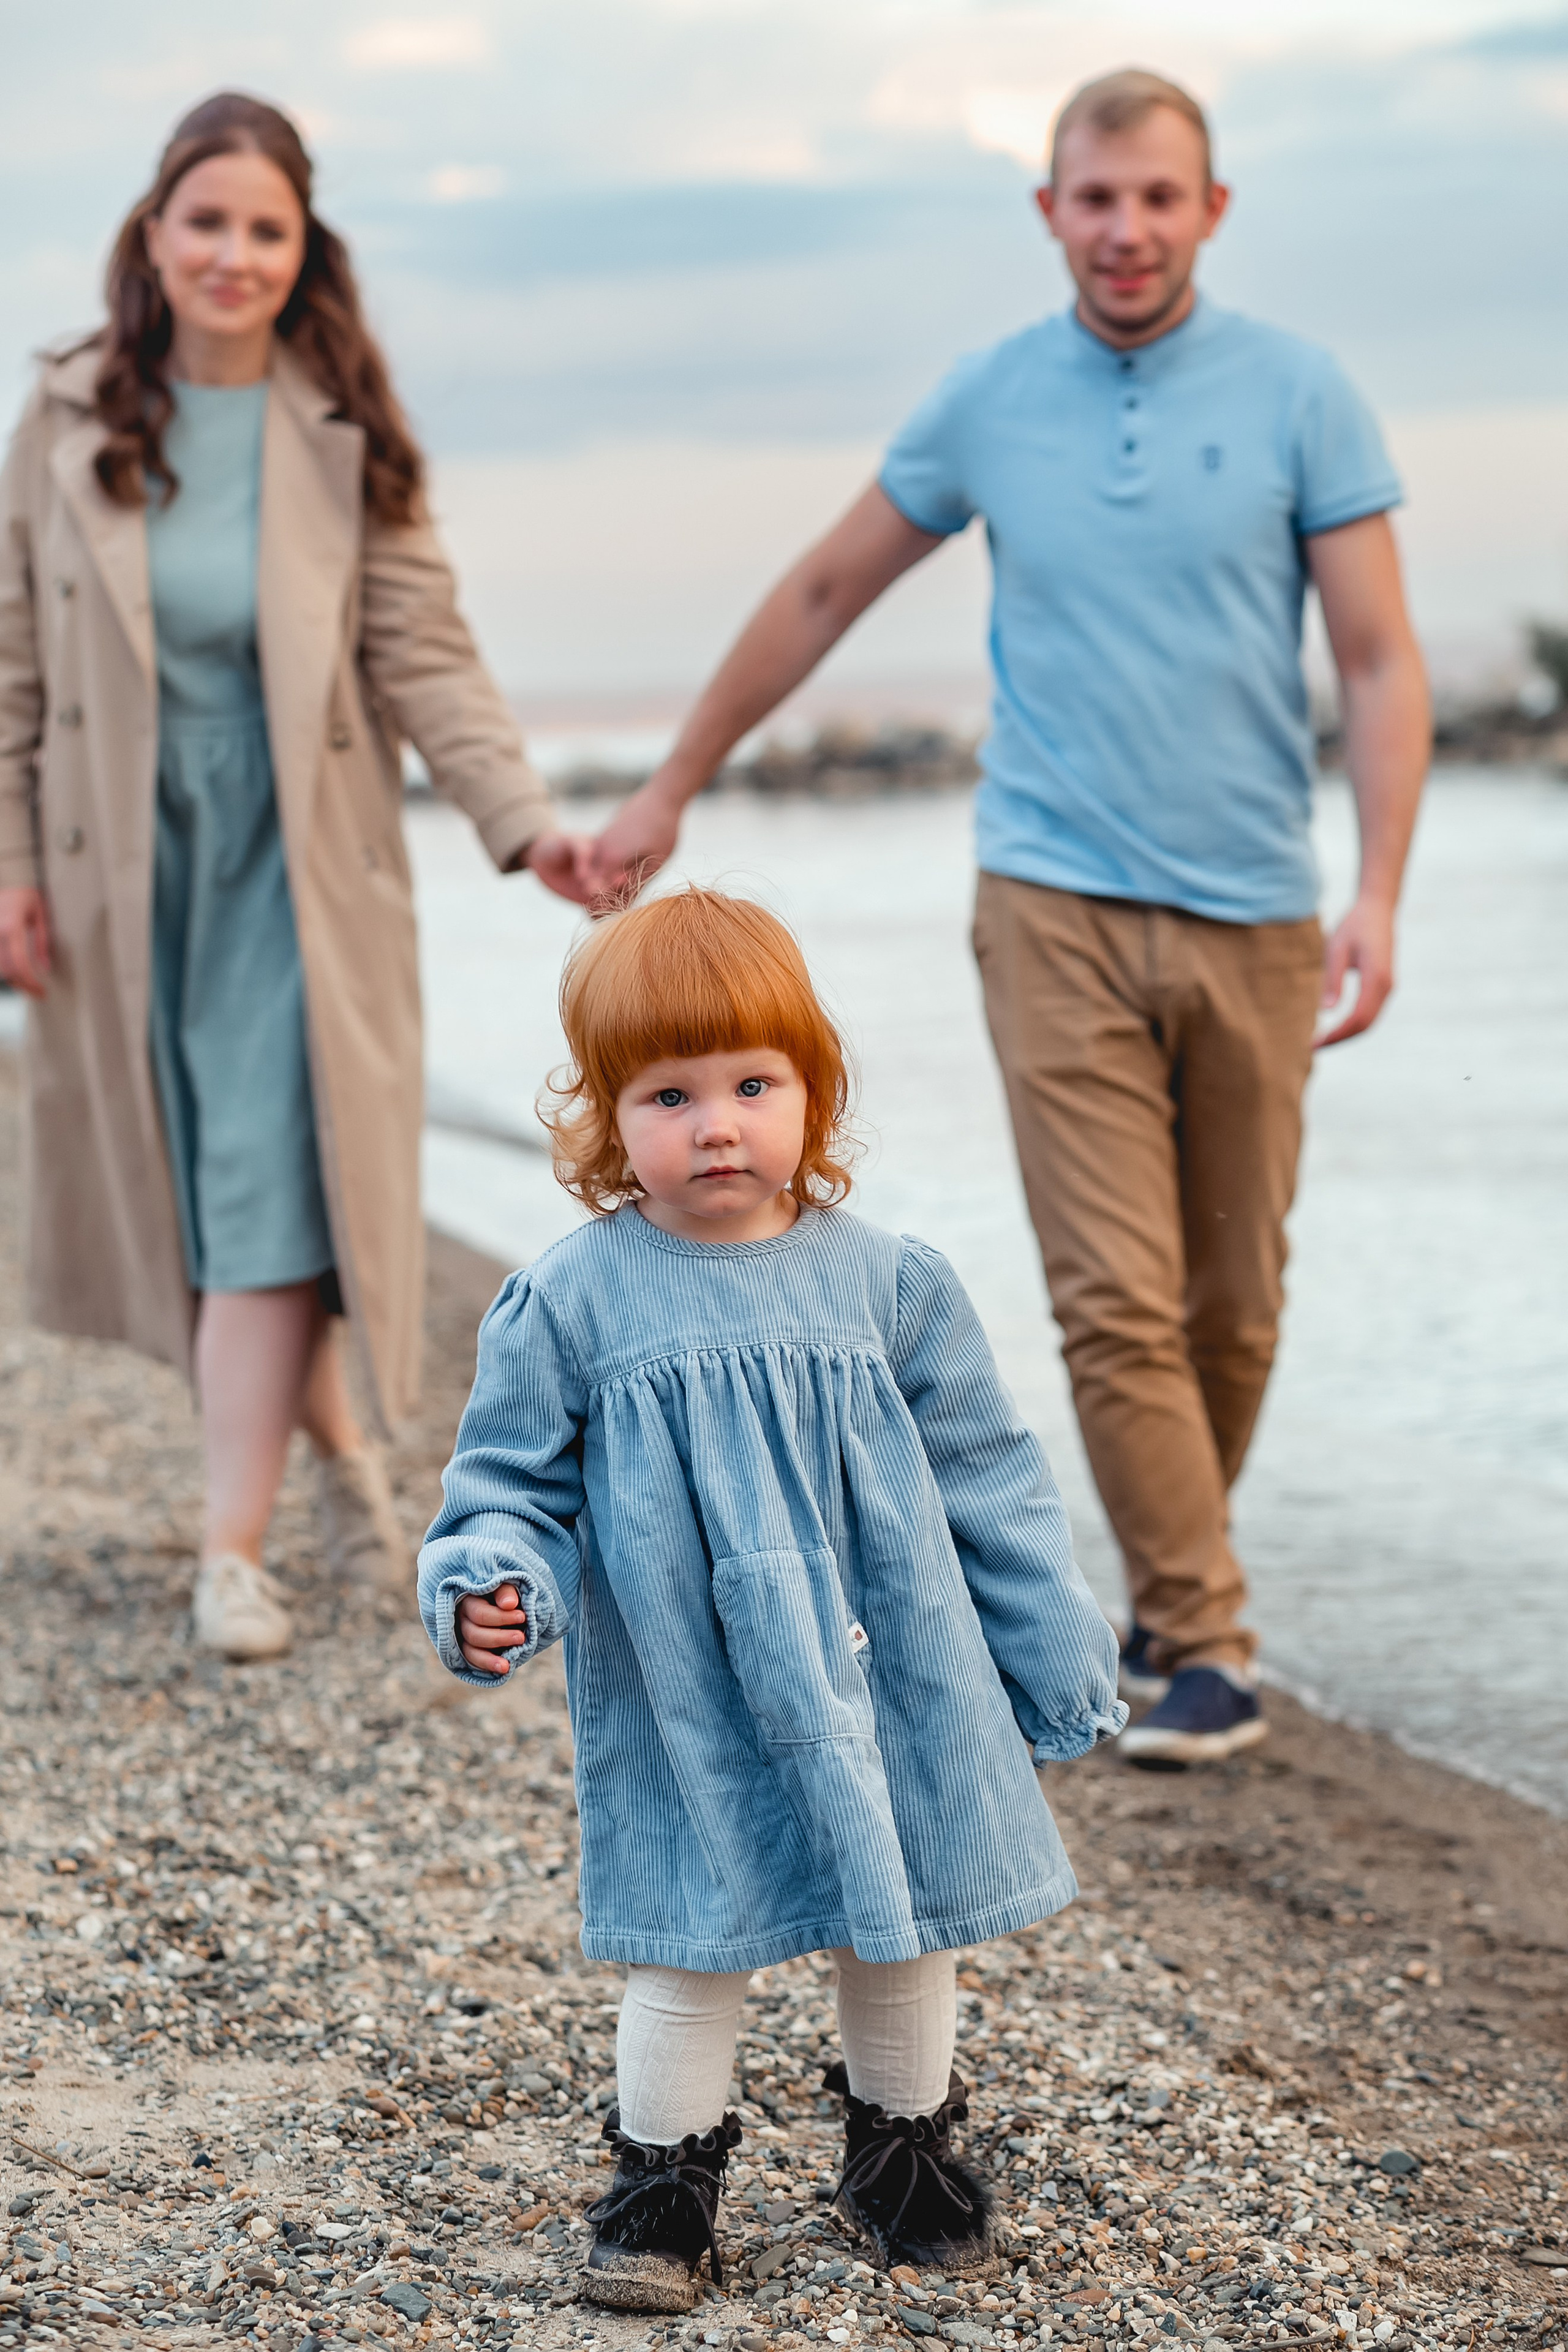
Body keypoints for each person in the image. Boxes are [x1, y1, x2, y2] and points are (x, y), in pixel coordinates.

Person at [583, 69, 1432, 1769]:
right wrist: (673, 779)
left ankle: (1168, 1585)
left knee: (1231, 1301)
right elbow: (826, 588)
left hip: (1257, 907)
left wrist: (1380, 890)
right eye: (1094, 198)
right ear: (1050, 211)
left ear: (1210, 211)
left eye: (1158, 197)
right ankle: (1204, 1641)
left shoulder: (1301, 395)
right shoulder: (989, 398)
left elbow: (1375, 657)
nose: (1126, 229)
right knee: (1114, 1294)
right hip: (1049, 896)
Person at [418, 887, 1124, 2307]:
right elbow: (508, 1484)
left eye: (753, 1085)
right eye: (669, 1096)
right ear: (605, 1115)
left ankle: (901, 2160)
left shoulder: (889, 1285)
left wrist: (1054, 1649)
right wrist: (493, 1578)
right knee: (692, 1930)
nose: (717, 1126)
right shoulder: (572, 1302)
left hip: (889, 1665)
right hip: (691, 1683)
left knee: (900, 1915)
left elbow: (989, 1477)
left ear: (815, 1089)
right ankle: (661, 2189)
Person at [0, 92, 592, 1664]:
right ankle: (339, 1459)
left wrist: (528, 824)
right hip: (126, 875)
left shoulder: (340, 430)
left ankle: (230, 1552)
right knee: (199, 1205)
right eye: (207, 221)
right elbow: (11, 667)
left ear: (301, 249)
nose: (234, 255)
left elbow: (425, 653)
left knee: (265, 1194)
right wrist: (9, 868)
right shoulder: (61, 419)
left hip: (299, 873)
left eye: (266, 229)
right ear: (153, 233)